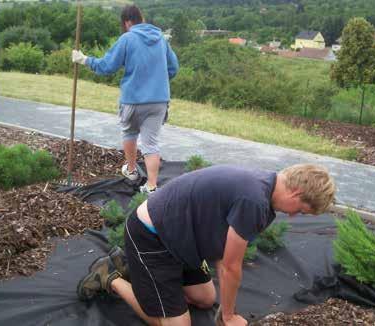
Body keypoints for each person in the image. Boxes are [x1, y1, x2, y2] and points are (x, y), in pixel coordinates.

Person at [77, 164, 336, 326]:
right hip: (151, 236)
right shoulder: (255, 200)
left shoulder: (265, 186)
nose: (293, 216)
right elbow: (230, 266)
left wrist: (226, 309)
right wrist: (230, 316)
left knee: (205, 299)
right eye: (300, 210)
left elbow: (225, 255)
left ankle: (136, 269)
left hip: (181, 239)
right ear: (296, 193)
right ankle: (110, 276)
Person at [72, 5, 179, 194]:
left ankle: (131, 171)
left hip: (133, 99)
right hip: (158, 100)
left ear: (127, 22)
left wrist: (84, 60)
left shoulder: (127, 38)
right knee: (151, 143)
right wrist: (156, 81)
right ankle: (152, 186)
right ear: (141, 18)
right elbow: (173, 68)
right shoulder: (161, 40)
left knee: (130, 133)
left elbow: (107, 66)